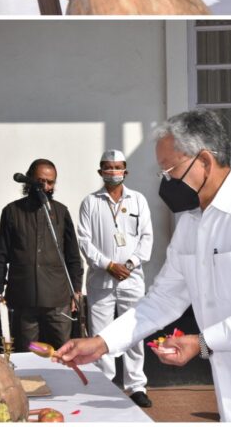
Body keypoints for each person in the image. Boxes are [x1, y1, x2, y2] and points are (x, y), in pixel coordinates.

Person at [54, 110, 231, 422]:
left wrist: (202, 343)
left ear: (204, 161)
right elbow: (163, 298)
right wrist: (103, 343)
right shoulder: (190, 223)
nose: (167, 181)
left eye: (170, 170)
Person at [78, 150, 154, 408]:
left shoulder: (138, 200)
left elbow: (146, 237)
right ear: (100, 171)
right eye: (108, 167)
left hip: (132, 279)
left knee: (134, 332)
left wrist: (129, 265)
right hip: (101, 281)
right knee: (101, 335)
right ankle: (105, 384)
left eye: (117, 167)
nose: (113, 172)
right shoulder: (90, 202)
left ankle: (136, 386)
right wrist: (108, 265)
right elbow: (84, 240)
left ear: (126, 171)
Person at [0, 159, 84, 352]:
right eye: (41, 181)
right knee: (29, 354)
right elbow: (0, 255)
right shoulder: (12, 212)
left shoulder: (60, 212)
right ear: (29, 179)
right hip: (24, 301)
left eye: (50, 182)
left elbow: (73, 256)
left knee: (62, 355)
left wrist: (76, 289)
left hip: (58, 302)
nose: (46, 187)